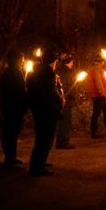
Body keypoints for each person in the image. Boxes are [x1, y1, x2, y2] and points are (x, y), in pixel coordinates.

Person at [26, 48, 64, 176]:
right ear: (53, 61)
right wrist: (60, 97)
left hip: (38, 109)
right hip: (48, 111)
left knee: (41, 138)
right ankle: (37, 167)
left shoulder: (35, 72)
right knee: (45, 140)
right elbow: (52, 93)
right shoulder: (49, 74)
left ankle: (39, 163)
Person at [0, 49, 28, 165]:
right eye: (21, 59)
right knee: (12, 132)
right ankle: (10, 157)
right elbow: (20, 91)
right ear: (16, 60)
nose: (23, 62)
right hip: (14, 107)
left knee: (9, 131)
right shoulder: (15, 73)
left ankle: (10, 156)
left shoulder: (7, 72)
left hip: (9, 106)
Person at [87, 54, 106, 138]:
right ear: (101, 62)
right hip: (98, 95)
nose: (104, 63)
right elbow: (98, 82)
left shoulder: (98, 69)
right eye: (103, 62)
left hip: (100, 95)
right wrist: (102, 92)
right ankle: (94, 132)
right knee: (96, 113)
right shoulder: (96, 69)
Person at [55, 54, 77, 149]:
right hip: (66, 100)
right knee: (65, 121)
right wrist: (73, 95)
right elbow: (68, 86)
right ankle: (64, 141)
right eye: (72, 62)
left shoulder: (58, 70)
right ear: (68, 62)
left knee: (61, 121)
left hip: (60, 99)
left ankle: (60, 141)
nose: (73, 63)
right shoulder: (66, 72)